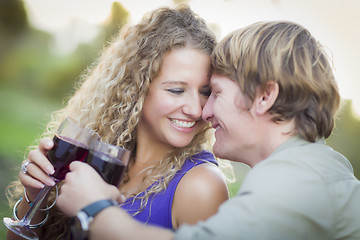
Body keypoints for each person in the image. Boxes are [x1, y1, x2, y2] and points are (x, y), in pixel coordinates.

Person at [56, 20, 360, 240]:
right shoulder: (311, 169)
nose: (205, 111)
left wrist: (94, 208)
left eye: (213, 93)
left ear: (265, 96)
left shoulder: (296, 181)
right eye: (178, 90)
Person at [6, 5, 231, 240]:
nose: (196, 109)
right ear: (137, 89)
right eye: (176, 90)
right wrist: (36, 197)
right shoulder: (93, 156)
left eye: (206, 92)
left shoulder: (201, 186)